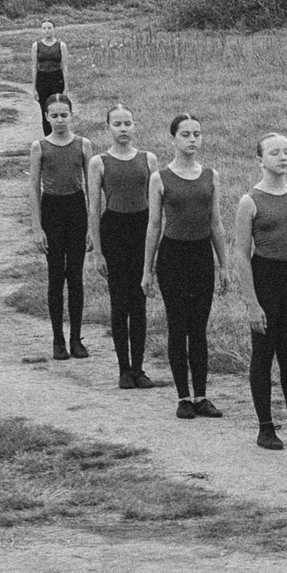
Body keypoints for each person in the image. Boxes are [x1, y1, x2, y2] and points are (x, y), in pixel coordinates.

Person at [232, 133, 287, 450]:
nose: (283, 157)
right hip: (265, 279)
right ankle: (265, 428)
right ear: (260, 160)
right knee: (263, 354)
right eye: (275, 153)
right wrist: (252, 304)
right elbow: (241, 256)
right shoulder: (249, 201)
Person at [146, 114, 225, 419]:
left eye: (197, 134)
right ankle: (183, 397)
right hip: (172, 257)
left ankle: (201, 395)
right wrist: (147, 269)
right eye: (186, 134)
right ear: (173, 139)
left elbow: (216, 223)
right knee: (178, 327)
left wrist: (224, 265)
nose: (192, 139)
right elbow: (154, 225)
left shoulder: (211, 176)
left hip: (201, 255)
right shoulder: (160, 178)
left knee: (199, 329)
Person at [87, 104, 159, 389]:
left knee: (139, 301)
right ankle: (123, 370)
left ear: (134, 125)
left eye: (127, 123)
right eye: (117, 124)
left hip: (141, 229)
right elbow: (94, 209)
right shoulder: (99, 162)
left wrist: (154, 249)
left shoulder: (148, 159)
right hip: (114, 230)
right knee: (119, 303)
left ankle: (139, 368)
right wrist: (98, 251)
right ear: (108, 128)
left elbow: (156, 209)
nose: (123, 129)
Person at [29, 95, 92, 360]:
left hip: (76, 209)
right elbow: (34, 188)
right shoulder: (40, 147)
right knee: (56, 276)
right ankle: (58, 339)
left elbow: (92, 188)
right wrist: (37, 227)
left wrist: (91, 227)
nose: (59, 121)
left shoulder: (83, 145)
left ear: (71, 115)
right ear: (46, 117)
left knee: (75, 277)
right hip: (52, 210)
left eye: (64, 115)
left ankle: (76, 338)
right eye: (54, 116)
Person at [29, 20, 67, 117]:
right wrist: (34, 89)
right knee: (44, 108)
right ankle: (46, 127)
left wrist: (66, 87)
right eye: (44, 28)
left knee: (57, 106)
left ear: (54, 29)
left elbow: (64, 67)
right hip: (42, 79)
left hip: (57, 79)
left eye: (49, 28)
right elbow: (34, 67)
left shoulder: (61, 45)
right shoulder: (36, 45)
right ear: (41, 30)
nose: (47, 30)